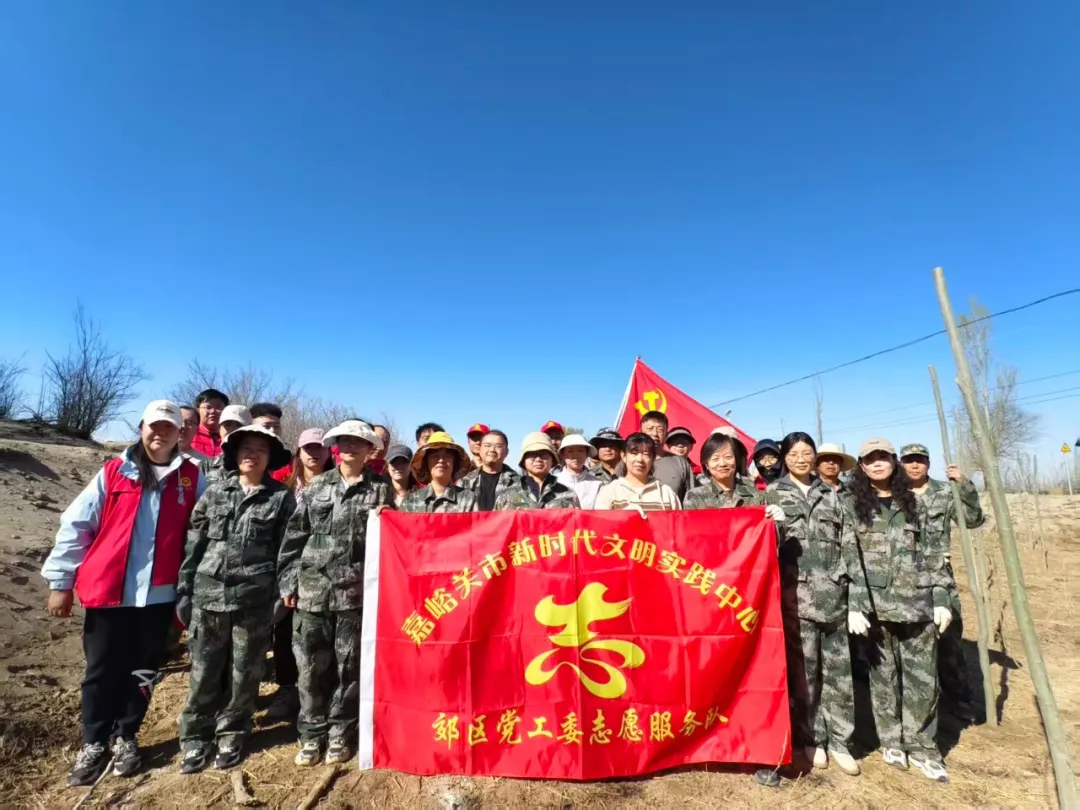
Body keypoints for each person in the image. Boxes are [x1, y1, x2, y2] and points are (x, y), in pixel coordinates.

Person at [40, 400, 206, 787]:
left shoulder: (191, 477)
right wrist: (61, 582)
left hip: (160, 596)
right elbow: (77, 525)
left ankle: (126, 736)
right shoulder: (114, 472)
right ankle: (93, 742)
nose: (160, 433)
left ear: (178, 433)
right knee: (101, 670)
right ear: (141, 428)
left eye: (168, 427)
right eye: (154, 425)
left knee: (143, 671)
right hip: (110, 592)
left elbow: (205, 529)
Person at [176, 425, 296, 773]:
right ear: (234, 454)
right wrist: (184, 588)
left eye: (260, 449)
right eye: (246, 448)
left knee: (245, 672)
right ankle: (195, 737)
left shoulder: (280, 498)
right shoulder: (215, 493)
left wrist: (281, 592)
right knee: (204, 671)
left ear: (270, 458)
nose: (252, 454)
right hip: (208, 595)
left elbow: (286, 551)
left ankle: (232, 732)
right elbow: (194, 543)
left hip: (254, 601)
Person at [278, 420, 392, 767]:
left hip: (356, 595)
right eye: (345, 441)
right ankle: (312, 734)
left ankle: (341, 730)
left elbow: (391, 539)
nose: (351, 447)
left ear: (369, 449)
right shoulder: (317, 486)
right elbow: (295, 536)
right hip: (312, 593)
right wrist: (288, 582)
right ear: (336, 447)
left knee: (350, 667)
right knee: (310, 667)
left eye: (359, 442)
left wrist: (390, 518)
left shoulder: (381, 490)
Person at [844, 438, 953, 784]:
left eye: (883, 457)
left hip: (918, 604)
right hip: (877, 608)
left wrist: (941, 597)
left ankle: (922, 747)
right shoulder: (852, 505)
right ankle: (891, 741)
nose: (877, 463)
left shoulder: (916, 503)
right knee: (883, 678)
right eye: (870, 459)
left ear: (894, 462)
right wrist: (857, 604)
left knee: (923, 680)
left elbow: (934, 553)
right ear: (862, 466)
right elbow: (851, 557)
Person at [764, 432, 862, 777]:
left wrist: (856, 601)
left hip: (835, 597)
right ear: (784, 458)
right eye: (794, 454)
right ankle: (812, 738)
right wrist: (772, 524)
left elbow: (850, 546)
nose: (801, 459)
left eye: (807, 453)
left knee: (839, 673)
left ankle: (841, 741)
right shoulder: (773, 494)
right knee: (805, 674)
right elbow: (762, 548)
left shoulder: (832, 494)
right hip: (795, 599)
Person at [899, 442, 984, 721]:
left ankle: (959, 699)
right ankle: (914, 701)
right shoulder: (893, 493)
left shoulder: (946, 492)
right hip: (903, 577)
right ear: (900, 463)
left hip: (939, 575)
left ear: (928, 463)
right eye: (909, 460)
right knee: (908, 639)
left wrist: (964, 486)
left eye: (920, 460)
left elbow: (972, 520)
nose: (914, 465)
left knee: (949, 639)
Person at [269, 428, 336, 721]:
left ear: (328, 452)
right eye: (308, 448)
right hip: (285, 571)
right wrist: (286, 578)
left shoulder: (337, 487)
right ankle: (287, 689)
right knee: (284, 634)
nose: (313, 453)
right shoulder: (283, 489)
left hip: (323, 577)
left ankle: (322, 696)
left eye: (319, 447)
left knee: (319, 641)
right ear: (299, 452)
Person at [595, 433, 681, 511]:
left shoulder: (666, 492)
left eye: (646, 454)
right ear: (624, 456)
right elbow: (600, 522)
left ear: (653, 458)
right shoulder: (610, 491)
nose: (640, 459)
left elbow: (678, 522)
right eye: (634, 453)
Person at [495, 432, 580, 510]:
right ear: (524, 460)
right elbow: (496, 521)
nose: (538, 459)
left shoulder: (568, 494)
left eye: (544, 454)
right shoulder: (506, 495)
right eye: (532, 454)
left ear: (552, 460)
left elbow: (576, 521)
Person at [399, 432, 478, 513]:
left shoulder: (468, 499)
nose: (441, 460)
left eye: (447, 456)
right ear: (426, 462)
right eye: (435, 455)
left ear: (455, 462)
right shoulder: (411, 501)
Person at [684, 431, 764, 508]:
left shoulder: (755, 495)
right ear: (707, 465)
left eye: (728, 457)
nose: (722, 464)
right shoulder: (696, 497)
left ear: (736, 460)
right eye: (715, 459)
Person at [639, 411, 695, 500]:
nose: (655, 434)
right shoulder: (629, 462)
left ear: (666, 435)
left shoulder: (680, 463)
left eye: (660, 430)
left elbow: (691, 500)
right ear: (641, 433)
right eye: (650, 429)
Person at [460, 429, 519, 511]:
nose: (492, 450)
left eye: (498, 446)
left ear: (506, 452)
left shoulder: (520, 483)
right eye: (487, 445)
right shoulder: (464, 483)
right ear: (480, 450)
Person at [200, 405, 252, 484]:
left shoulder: (257, 464)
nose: (232, 430)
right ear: (219, 429)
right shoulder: (206, 466)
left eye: (238, 425)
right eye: (227, 425)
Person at [555, 434, 602, 509]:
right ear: (562, 455)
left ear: (586, 454)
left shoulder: (597, 483)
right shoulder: (552, 482)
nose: (576, 455)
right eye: (570, 451)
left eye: (580, 451)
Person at [191, 388, 230, 457]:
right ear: (198, 410)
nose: (213, 411)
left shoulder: (231, 436)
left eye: (218, 407)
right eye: (208, 407)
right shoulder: (189, 434)